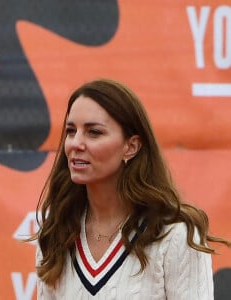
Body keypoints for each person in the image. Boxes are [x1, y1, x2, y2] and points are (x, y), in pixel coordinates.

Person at [33, 78, 230, 299]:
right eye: (71, 131)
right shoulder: (55, 232)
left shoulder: (175, 234)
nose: (75, 143)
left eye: (94, 132)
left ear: (131, 146)